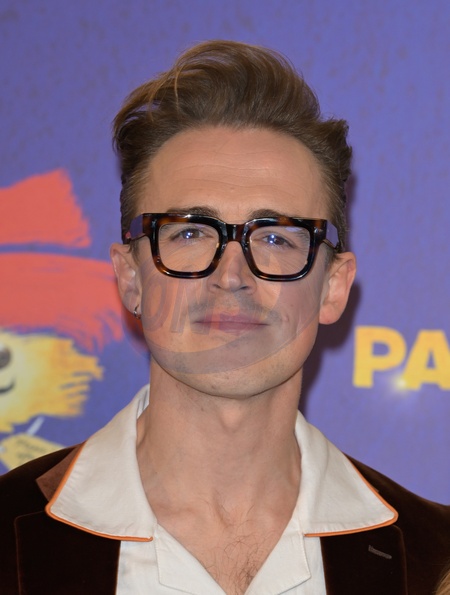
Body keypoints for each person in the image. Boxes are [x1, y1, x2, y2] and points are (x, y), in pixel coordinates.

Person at [0, 40, 449, 595]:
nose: (232, 274)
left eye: (276, 237)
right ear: (131, 278)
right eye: (191, 233)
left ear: (333, 287)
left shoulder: (437, 558)